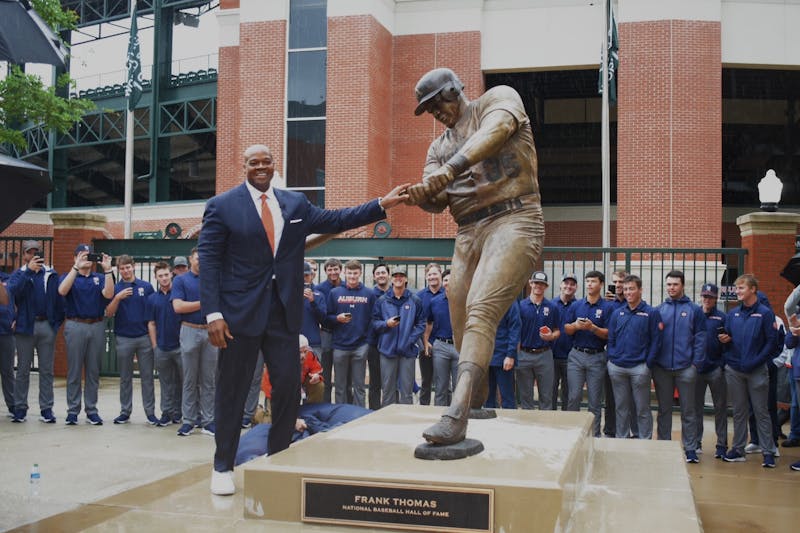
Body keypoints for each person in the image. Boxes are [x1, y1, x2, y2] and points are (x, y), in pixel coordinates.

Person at [198, 143, 408, 495]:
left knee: (287, 390)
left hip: (283, 315)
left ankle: (279, 457)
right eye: (254, 163)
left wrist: (380, 205)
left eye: (266, 162)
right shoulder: (222, 206)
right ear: (244, 166)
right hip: (239, 316)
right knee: (233, 392)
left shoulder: (294, 204)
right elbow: (209, 260)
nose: (261, 167)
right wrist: (213, 312)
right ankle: (223, 466)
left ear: (274, 165)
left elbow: (336, 219)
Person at [406, 68, 544, 445]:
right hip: (468, 231)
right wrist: (424, 194)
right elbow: (437, 201)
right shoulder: (438, 146)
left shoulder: (497, 100)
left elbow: (496, 132)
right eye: (430, 110)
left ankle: (457, 414)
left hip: (515, 216)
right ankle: (477, 396)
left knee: (482, 308)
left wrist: (450, 171)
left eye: (439, 104)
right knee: (461, 317)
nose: (438, 113)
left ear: (454, 92)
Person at [720, 274, 778, 468]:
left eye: (741, 288)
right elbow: (726, 337)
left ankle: (768, 452)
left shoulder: (764, 313)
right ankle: (738, 449)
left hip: (756, 369)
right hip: (734, 369)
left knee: (761, 411)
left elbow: (771, 342)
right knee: (738, 411)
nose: (737, 292)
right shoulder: (733, 313)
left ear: (753, 289)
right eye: (737, 288)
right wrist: (724, 343)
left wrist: (757, 361)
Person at [7, 240, 63, 423]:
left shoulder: (50, 274)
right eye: (29, 252)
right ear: (24, 255)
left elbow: (59, 300)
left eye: (36, 252)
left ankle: (46, 409)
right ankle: (20, 408)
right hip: (25, 327)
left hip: (46, 325)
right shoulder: (20, 274)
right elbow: (12, 292)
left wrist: (55, 324)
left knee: (47, 370)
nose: (33, 255)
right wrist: (29, 271)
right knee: (22, 370)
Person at [58, 244, 114, 425]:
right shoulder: (70, 277)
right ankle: (73, 411)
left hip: (96, 324)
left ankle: (92, 410)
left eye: (89, 256)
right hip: (75, 324)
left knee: (93, 371)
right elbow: (62, 291)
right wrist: (76, 267)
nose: (87, 259)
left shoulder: (98, 277)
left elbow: (109, 293)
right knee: (74, 370)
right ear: (75, 257)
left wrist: (108, 271)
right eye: (83, 255)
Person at [654, 270, 705, 463]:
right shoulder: (659, 310)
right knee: (664, 410)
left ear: (682, 285)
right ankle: (664, 445)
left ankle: (690, 449)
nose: (671, 288)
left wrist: (695, 365)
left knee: (688, 410)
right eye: (668, 284)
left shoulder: (694, 310)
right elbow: (654, 339)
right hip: (662, 369)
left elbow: (701, 339)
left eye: (675, 284)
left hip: (686, 368)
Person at [606, 274, 661, 440]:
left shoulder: (651, 313)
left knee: (642, 408)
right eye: (626, 289)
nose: (628, 292)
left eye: (632, 289)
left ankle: (644, 440)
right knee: (621, 407)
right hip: (617, 367)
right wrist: (612, 359)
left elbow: (656, 340)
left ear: (640, 290)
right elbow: (611, 338)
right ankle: (621, 439)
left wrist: (648, 365)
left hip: (639, 368)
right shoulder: (617, 313)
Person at [105, 255, 157, 425]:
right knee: (125, 377)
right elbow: (109, 313)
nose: (125, 271)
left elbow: (152, 313)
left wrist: (152, 339)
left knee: (147, 377)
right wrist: (117, 298)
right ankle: (125, 412)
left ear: (133, 267)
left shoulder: (146, 287)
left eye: (128, 267)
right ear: (118, 270)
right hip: (123, 338)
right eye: (122, 268)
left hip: (143, 338)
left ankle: (150, 412)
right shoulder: (116, 288)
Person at [172, 248, 217, 438]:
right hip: (189, 329)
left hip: (210, 330)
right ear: (191, 259)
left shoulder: (213, 279)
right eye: (198, 258)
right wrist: (204, 302)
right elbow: (178, 306)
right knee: (189, 379)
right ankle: (188, 421)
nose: (201, 261)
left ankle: (208, 421)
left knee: (209, 380)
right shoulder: (181, 280)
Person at [564, 271, 613, 437]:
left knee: (595, 401)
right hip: (576, 355)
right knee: (574, 397)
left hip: (597, 356)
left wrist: (593, 328)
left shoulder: (608, 307)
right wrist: (576, 326)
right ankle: (573, 432)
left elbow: (608, 334)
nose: (590, 284)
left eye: (593, 281)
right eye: (588, 281)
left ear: (601, 284)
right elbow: (567, 329)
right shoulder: (576, 305)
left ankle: (595, 435)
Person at [372, 266, 426, 406]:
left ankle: (406, 423)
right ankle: (388, 422)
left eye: (401, 276)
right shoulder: (382, 300)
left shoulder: (415, 300)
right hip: (387, 350)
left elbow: (421, 324)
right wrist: (386, 324)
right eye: (395, 276)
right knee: (388, 390)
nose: (398, 278)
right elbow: (374, 323)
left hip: (407, 351)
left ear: (406, 279)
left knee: (406, 390)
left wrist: (410, 339)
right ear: (391, 279)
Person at [327, 259, 375, 407]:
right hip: (340, 346)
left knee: (359, 386)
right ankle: (340, 415)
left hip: (360, 346)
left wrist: (367, 341)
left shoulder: (369, 294)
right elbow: (327, 317)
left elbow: (373, 319)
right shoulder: (335, 293)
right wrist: (337, 318)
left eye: (355, 273)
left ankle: (359, 415)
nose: (352, 276)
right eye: (350, 273)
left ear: (360, 273)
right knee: (340, 387)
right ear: (344, 273)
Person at [147, 261, 183, 426]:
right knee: (166, 382)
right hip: (161, 347)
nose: (164, 278)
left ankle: (180, 413)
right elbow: (151, 323)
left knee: (184, 382)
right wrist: (155, 346)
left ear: (171, 275)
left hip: (181, 346)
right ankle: (167, 413)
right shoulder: (152, 299)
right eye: (160, 276)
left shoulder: (179, 295)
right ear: (156, 278)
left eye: (166, 275)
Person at [516, 271, 560, 410]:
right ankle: (529, 429)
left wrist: (551, 336)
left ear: (546, 286)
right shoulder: (521, 306)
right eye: (536, 283)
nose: (538, 286)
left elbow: (558, 330)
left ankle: (545, 429)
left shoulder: (552, 307)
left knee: (546, 396)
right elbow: (515, 332)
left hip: (544, 354)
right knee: (525, 396)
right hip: (524, 354)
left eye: (542, 284)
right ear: (530, 283)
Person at [695, 283, 728, 458]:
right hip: (698, 369)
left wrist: (721, 364)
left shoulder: (722, 317)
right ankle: (696, 442)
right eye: (704, 296)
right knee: (696, 408)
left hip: (715, 368)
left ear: (715, 299)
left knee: (720, 408)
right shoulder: (695, 314)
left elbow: (728, 343)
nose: (706, 300)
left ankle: (721, 445)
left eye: (710, 297)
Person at [262, 335, 325, 406]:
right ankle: (258, 413)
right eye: (300, 352)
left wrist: (316, 376)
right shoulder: (278, 359)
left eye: (305, 352)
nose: (303, 356)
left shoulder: (310, 354)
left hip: (298, 381)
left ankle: (311, 410)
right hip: (277, 389)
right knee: (274, 416)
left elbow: (317, 369)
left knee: (319, 385)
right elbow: (268, 383)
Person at [426, 270, 458, 406]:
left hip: (460, 346)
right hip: (441, 346)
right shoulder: (435, 301)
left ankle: (458, 415)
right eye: (446, 280)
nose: (448, 283)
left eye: (452, 280)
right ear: (442, 282)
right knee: (440, 386)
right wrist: (426, 341)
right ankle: (438, 416)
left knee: (459, 386)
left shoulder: (464, 300)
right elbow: (429, 323)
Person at [602, 269, 628, 437]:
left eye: (621, 282)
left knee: (628, 400)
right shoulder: (608, 304)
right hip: (611, 356)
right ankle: (610, 430)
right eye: (615, 282)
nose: (617, 285)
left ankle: (626, 430)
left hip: (631, 356)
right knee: (610, 397)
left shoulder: (632, 302)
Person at [416, 263, 444, 406]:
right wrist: (424, 342)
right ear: (426, 277)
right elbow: (417, 321)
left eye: (435, 274)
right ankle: (424, 409)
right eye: (430, 274)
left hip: (443, 343)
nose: (432, 277)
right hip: (425, 344)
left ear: (441, 274)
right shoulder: (419, 296)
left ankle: (445, 410)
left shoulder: (448, 293)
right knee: (426, 380)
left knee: (444, 382)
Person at [316, 258, 343, 403]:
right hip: (326, 333)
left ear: (340, 269)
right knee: (325, 372)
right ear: (325, 271)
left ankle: (344, 405)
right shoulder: (320, 289)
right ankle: (325, 404)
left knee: (343, 375)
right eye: (330, 269)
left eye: (335, 269)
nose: (333, 272)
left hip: (343, 333)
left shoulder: (346, 286)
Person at [485, 302, 520, 409]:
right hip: (484, 357)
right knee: (487, 399)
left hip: (503, 357)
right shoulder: (483, 299)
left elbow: (515, 330)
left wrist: (510, 355)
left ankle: (509, 424)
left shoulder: (509, 302)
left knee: (507, 399)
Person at [550, 273, 577, 411]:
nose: (568, 286)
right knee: (551, 392)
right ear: (560, 285)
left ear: (576, 287)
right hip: (552, 356)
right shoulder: (550, 304)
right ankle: (551, 423)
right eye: (566, 283)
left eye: (572, 284)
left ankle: (566, 421)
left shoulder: (579, 306)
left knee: (568, 394)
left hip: (571, 357)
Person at [366, 263, 391, 409]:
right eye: (378, 273)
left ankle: (391, 408)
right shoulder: (369, 294)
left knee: (391, 380)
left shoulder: (395, 293)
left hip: (391, 342)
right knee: (375, 381)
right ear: (374, 276)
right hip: (374, 342)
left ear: (388, 274)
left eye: (383, 272)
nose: (381, 275)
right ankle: (374, 411)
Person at [0, 272, 14, 419]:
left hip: (6, 332)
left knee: (7, 372)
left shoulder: (8, 279)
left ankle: (12, 405)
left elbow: (5, 300)